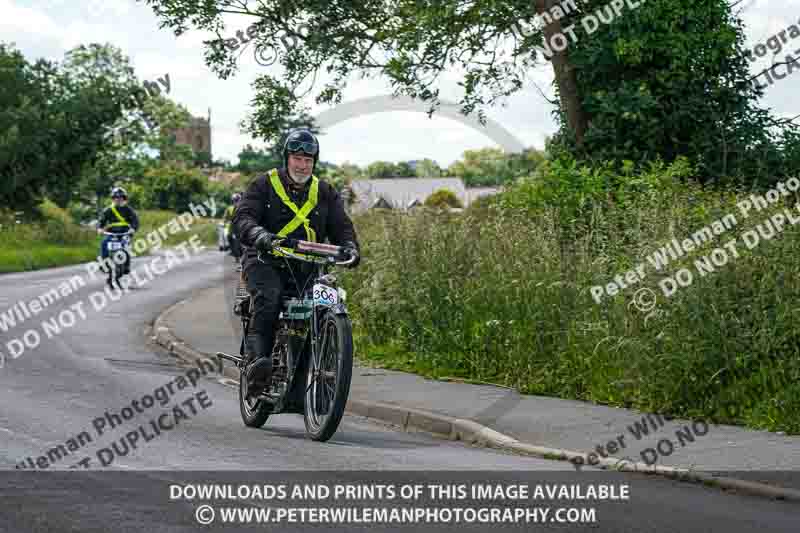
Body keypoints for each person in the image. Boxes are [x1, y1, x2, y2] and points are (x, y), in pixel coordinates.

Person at [233, 129, 360, 397]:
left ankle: (319, 368)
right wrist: (259, 235)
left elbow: (342, 227)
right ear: (287, 158)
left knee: (327, 302)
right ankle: (258, 366)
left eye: (308, 160)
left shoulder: (325, 192)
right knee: (269, 297)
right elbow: (243, 218)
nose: (302, 165)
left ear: (314, 162)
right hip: (265, 259)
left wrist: (350, 247)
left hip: (308, 265)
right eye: (297, 159)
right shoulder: (263, 184)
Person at [97, 187, 139, 278]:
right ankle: (104, 263)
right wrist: (100, 228)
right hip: (111, 234)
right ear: (113, 199)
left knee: (126, 246)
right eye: (116, 197)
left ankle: (126, 265)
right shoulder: (108, 210)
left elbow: (135, 221)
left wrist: (133, 229)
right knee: (104, 243)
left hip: (125, 233)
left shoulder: (128, 210)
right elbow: (101, 221)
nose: (118, 199)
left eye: (120, 197)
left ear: (124, 199)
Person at [223, 192, 243, 259]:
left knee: (235, 239)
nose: (236, 202)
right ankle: (235, 253)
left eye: (236, 200)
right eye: (235, 200)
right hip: (235, 225)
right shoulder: (231, 208)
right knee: (230, 237)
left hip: (238, 225)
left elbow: (226, 218)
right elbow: (226, 218)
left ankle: (236, 254)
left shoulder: (239, 207)